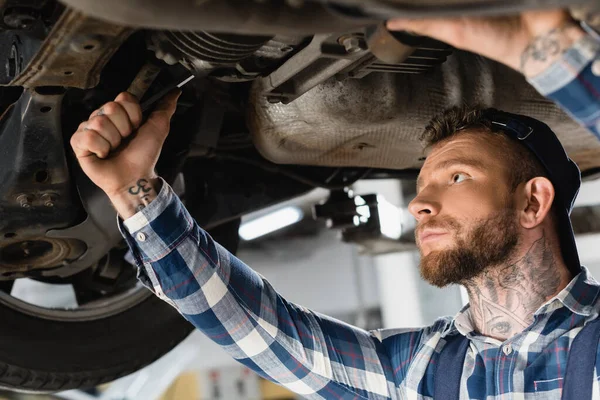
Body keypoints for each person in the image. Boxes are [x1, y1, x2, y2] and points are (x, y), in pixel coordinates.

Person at [70, 9, 600, 399]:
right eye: (422, 183)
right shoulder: (422, 371)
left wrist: (551, 53)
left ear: (533, 201)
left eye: (457, 175)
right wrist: (136, 194)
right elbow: (270, 336)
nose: (420, 203)